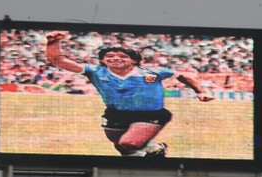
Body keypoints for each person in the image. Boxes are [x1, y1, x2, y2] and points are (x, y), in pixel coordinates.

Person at [46, 31, 214, 157]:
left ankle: (155, 148)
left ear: (133, 60)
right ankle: (148, 157)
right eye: (109, 56)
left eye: (122, 56)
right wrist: (54, 42)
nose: (115, 58)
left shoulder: (153, 71)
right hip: (115, 113)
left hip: (150, 113)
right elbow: (58, 60)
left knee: (129, 142)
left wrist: (200, 91)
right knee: (122, 148)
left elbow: (185, 76)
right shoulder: (96, 72)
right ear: (103, 61)